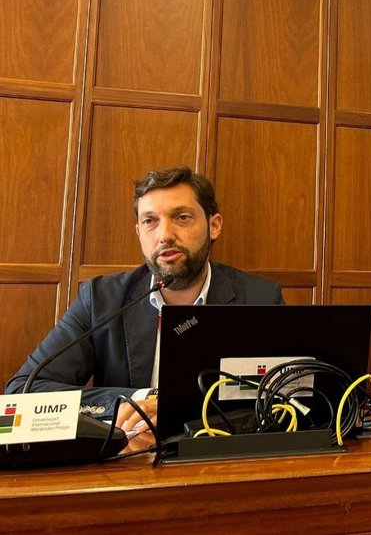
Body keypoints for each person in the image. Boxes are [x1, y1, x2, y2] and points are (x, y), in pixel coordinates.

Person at [5, 166, 284, 440]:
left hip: (220, 461)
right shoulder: (101, 300)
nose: (164, 235)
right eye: (150, 221)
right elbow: (22, 392)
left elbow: (287, 397)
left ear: (214, 226)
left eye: (182, 217)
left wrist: (182, 411)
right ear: (139, 231)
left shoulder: (260, 299)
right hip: (126, 464)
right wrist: (139, 399)